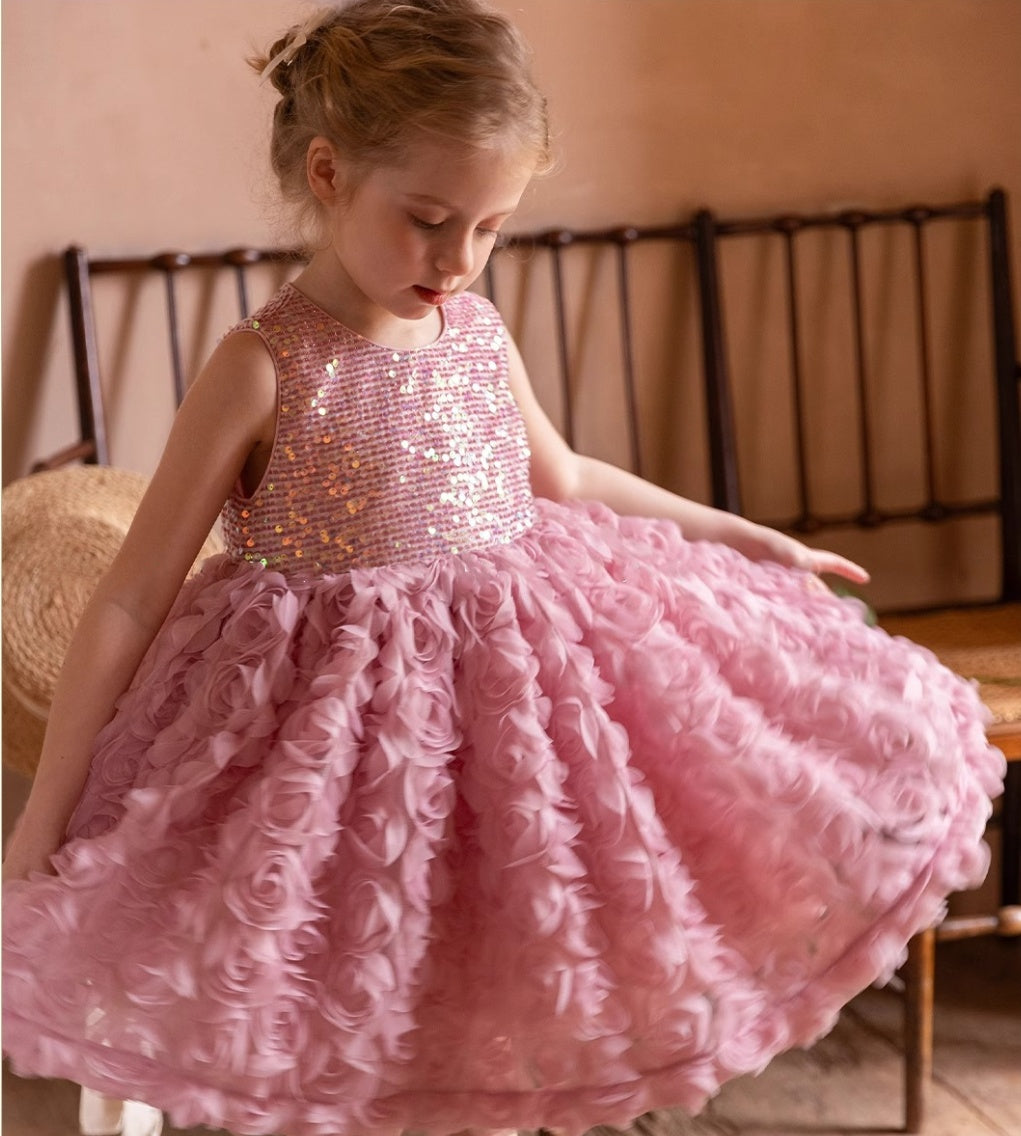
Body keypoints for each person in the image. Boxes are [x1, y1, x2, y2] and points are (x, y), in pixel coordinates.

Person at [2, 1, 1004, 1134]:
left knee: (512, 966)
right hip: (333, 743)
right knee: (354, 1002)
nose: (459, 259)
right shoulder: (263, 364)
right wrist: (46, 811)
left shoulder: (473, 328)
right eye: (428, 220)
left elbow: (565, 476)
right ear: (328, 174)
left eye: (491, 226)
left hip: (511, 717)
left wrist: (740, 531)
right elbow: (135, 595)